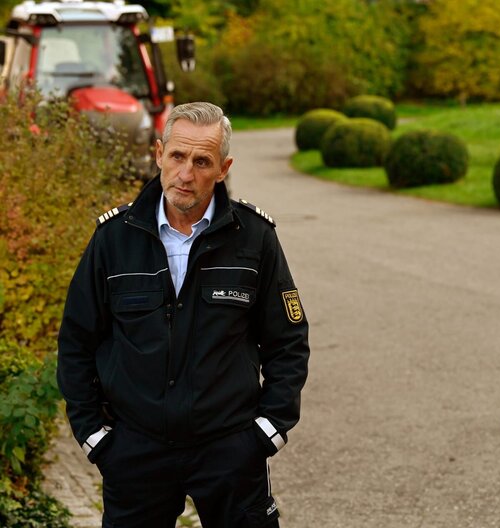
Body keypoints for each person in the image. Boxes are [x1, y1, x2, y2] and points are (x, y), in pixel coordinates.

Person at [57, 102, 310, 527]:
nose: (186, 173)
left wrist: (267, 431)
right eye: (177, 156)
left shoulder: (255, 238)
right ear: (159, 154)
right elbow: (77, 340)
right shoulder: (113, 239)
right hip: (136, 450)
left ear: (224, 167)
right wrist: (95, 438)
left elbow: (288, 341)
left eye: (202, 161)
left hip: (230, 448)